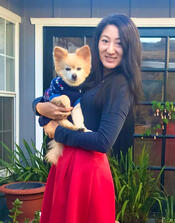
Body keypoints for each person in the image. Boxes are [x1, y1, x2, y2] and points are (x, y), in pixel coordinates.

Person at [33, 14, 142, 223]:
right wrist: (38, 106)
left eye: (119, 43)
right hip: (67, 165)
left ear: (129, 48)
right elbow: (54, 92)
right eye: (105, 41)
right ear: (97, 43)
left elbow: (103, 141)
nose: (110, 49)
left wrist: (58, 131)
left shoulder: (121, 85)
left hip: (87, 171)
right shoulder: (91, 76)